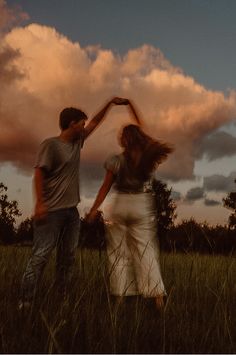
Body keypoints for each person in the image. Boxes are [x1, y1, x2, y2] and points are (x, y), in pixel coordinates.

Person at [19, 97, 131, 309]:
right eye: (81, 123)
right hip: (51, 212)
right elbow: (38, 175)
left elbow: (96, 122)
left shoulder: (76, 143)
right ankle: (25, 301)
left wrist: (110, 103)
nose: (84, 127)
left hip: (71, 214)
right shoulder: (50, 145)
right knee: (41, 255)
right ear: (72, 124)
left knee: (67, 258)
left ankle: (62, 299)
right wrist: (39, 204)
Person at [87, 104, 173, 310]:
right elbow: (143, 128)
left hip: (120, 205)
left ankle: (120, 299)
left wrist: (93, 210)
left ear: (124, 139)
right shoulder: (148, 158)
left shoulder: (116, 160)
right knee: (146, 251)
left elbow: (105, 187)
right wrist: (132, 106)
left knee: (118, 253)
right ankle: (157, 299)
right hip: (141, 204)